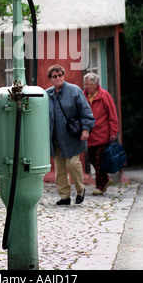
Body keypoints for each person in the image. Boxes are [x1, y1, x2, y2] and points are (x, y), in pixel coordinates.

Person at [46, 64, 95, 205]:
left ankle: (80, 189)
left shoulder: (74, 91)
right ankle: (65, 196)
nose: (58, 78)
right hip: (55, 139)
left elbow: (86, 112)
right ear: (50, 78)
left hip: (73, 137)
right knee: (60, 169)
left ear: (63, 75)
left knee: (73, 164)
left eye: (60, 75)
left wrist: (86, 129)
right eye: (54, 76)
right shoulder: (47, 94)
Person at [83, 73, 118, 195]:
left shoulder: (104, 96)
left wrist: (114, 131)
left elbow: (112, 114)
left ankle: (99, 186)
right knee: (93, 159)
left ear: (96, 84)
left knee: (100, 161)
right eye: (85, 84)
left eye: (89, 85)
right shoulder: (84, 96)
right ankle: (106, 180)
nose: (86, 87)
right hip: (90, 135)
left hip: (103, 133)